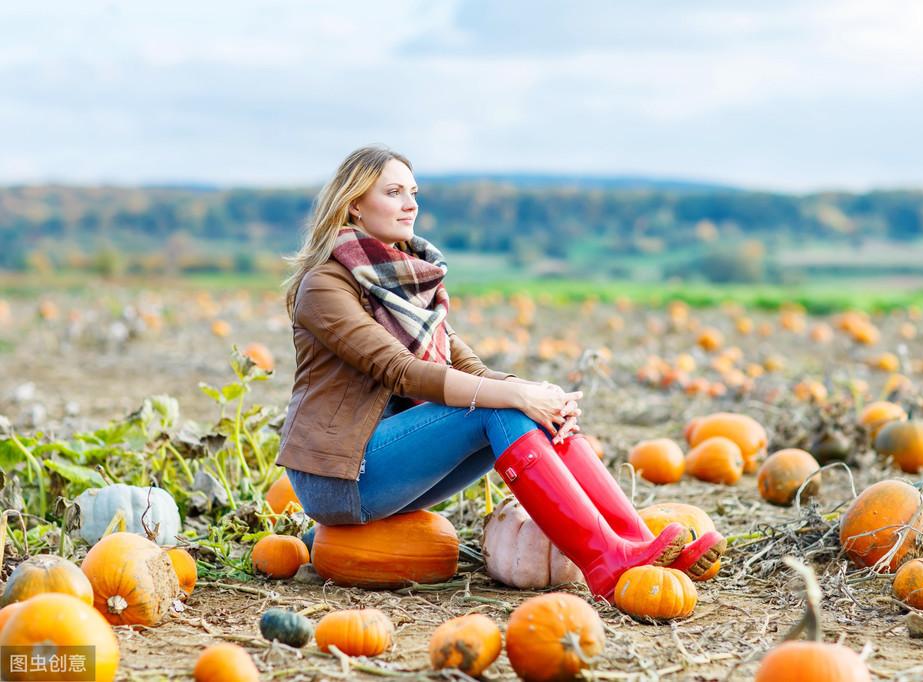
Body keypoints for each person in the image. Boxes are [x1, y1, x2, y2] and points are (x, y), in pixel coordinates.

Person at [275, 145, 725, 601]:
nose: (411, 204)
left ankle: (632, 543)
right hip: (340, 476)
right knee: (501, 409)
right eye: (393, 193)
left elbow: (465, 364)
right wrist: (515, 397)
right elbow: (402, 372)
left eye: (413, 192)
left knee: (523, 408)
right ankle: (602, 559)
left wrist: (533, 394)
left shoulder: (400, 280)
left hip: (388, 457)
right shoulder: (325, 286)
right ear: (354, 203)